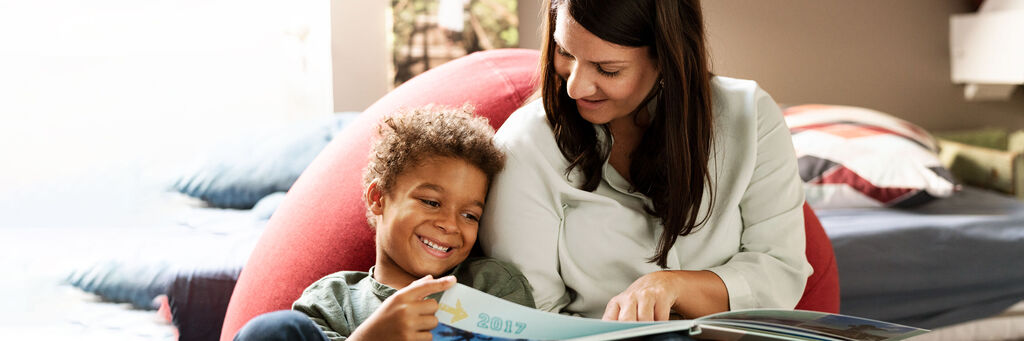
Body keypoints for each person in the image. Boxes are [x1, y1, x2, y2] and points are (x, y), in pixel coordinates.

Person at [480, 0, 813, 322]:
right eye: (565, 52)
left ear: (668, 57)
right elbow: (532, 315)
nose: (575, 87)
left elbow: (780, 271)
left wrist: (671, 287)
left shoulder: (750, 116)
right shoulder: (524, 146)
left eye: (607, 69)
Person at [233, 106, 535, 341]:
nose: (450, 224)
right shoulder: (334, 301)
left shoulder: (490, 284)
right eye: (431, 202)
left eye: (469, 215)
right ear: (379, 198)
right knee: (274, 330)